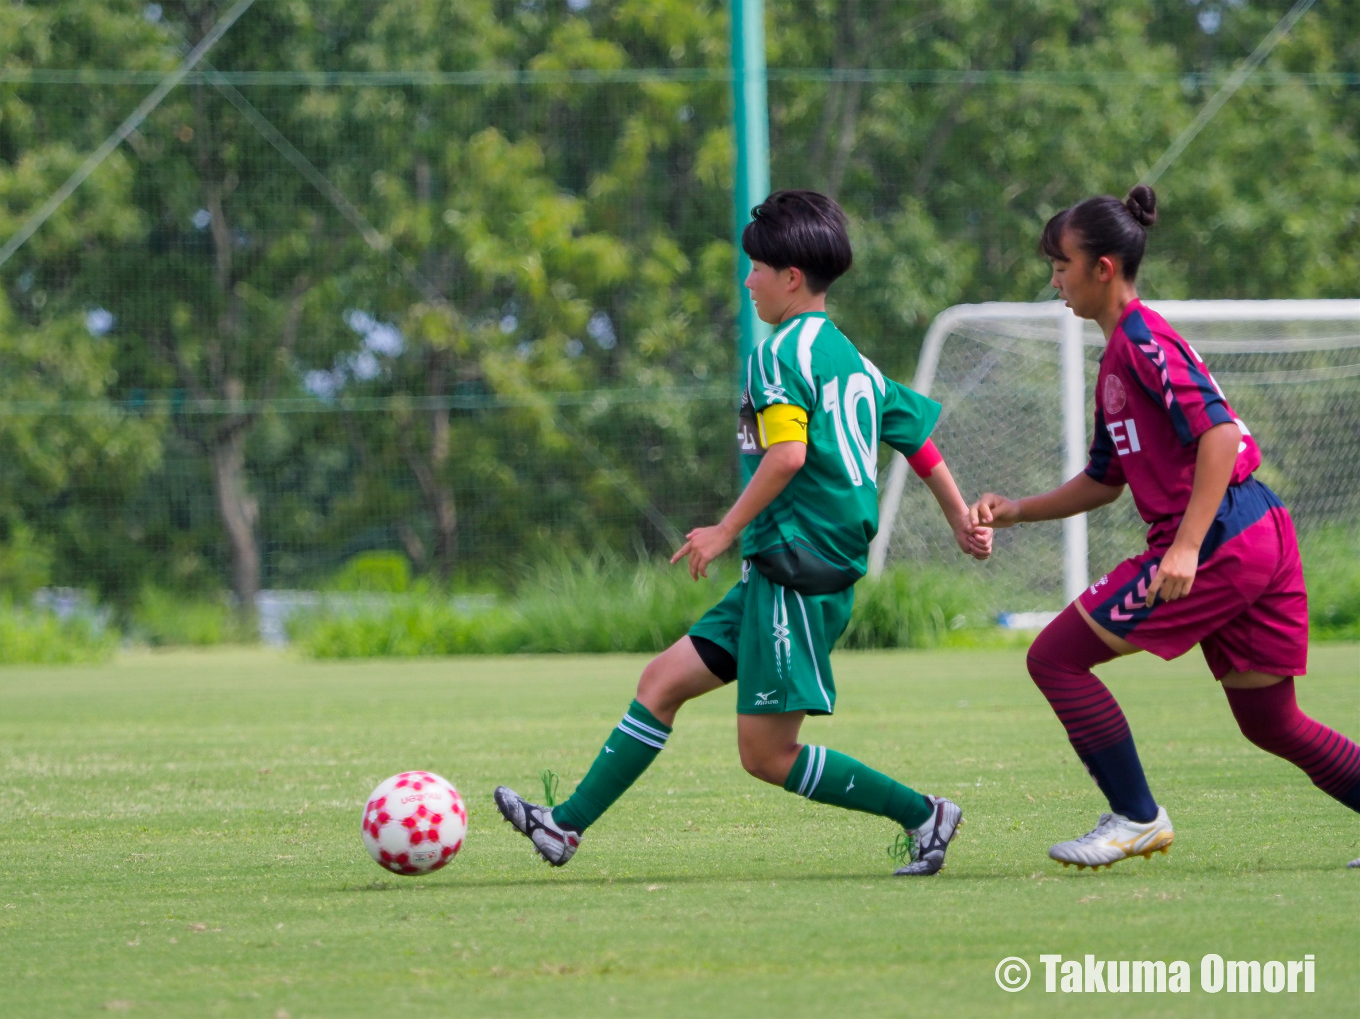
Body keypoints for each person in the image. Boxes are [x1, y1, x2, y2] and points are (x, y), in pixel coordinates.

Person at [495, 189, 992, 876]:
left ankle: (923, 813)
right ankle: (565, 827)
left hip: (797, 566)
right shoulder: (850, 357)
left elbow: (787, 456)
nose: (748, 279)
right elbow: (915, 435)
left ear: (791, 277)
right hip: (789, 564)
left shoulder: (778, 355)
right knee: (661, 680)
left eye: (756, 267)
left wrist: (724, 528)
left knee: (764, 754)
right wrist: (958, 514)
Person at [970, 185, 1360, 871]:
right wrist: (1019, 508)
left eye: (1060, 264)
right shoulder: (1117, 357)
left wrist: (1183, 546)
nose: (1053, 279)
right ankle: (1136, 815)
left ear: (1104, 267)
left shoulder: (1145, 340)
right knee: (1272, 721)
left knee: (1055, 657)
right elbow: (1105, 478)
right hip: (1253, 533)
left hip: (1220, 540)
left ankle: (1135, 817)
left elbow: (1216, 434)